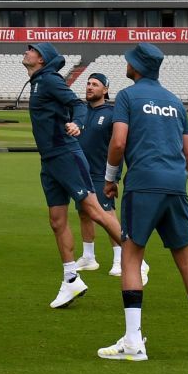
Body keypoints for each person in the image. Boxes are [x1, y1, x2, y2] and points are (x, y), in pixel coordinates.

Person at [97, 43, 188, 361]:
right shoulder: (175, 102)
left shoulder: (127, 96)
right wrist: (177, 180)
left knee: (131, 257)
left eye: (129, 60)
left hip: (143, 185)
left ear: (136, 66)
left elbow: (119, 141)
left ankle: (133, 341)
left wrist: (110, 178)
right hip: (176, 185)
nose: (126, 63)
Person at [22, 43, 138, 310]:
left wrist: (78, 123)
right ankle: (71, 278)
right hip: (49, 159)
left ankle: (136, 257)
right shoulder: (38, 82)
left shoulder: (49, 80)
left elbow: (77, 105)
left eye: (32, 49)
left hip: (65, 154)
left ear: (41, 59)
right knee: (56, 220)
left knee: (94, 211)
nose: (26, 51)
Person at [73, 71, 122, 277]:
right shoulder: (79, 112)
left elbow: (119, 147)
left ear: (105, 89)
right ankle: (88, 257)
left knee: (107, 214)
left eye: (95, 84)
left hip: (102, 173)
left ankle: (120, 258)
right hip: (80, 172)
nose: (90, 87)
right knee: (84, 213)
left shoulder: (112, 114)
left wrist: (115, 177)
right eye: (88, 83)